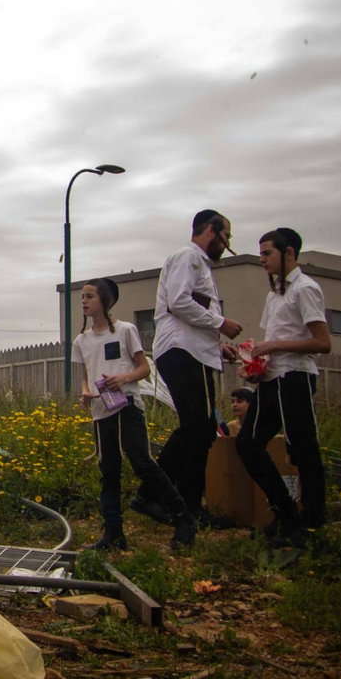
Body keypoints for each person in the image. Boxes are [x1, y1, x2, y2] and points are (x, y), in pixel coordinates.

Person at [138, 209, 243, 529]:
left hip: (193, 352)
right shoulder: (189, 257)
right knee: (197, 426)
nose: (226, 245)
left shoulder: (198, 264)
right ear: (211, 230)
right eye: (226, 237)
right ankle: (157, 495)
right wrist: (221, 323)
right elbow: (180, 302)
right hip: (183, 354)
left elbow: (190, 313)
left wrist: (216, 346)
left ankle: (184, 504)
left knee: (202, 429)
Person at [75, 279, 196, 551]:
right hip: (100, 411)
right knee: (108, 470)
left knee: (142, 461)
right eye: (82, 297)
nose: (84, 301)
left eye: (90, 296)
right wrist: (85, 392)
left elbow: (144, 369)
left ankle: (183, 517)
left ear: (106, 301)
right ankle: (114, 533)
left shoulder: (126, 331)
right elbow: (86, 377)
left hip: (127, 405)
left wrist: (123, 378)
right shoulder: (81, 341)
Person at [236, 227, 331, 545]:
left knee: (303, 451)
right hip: (271, 379)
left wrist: (273, 345)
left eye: (267, 253)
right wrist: (255, 365)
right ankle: (287, 514)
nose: (262, 259)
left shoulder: (305, 288)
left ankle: (313, 526)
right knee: (247, 444)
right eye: (261, 253)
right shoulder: (273, 294)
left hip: (296, 378)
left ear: (288, 253)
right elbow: (272, 342)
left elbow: (322, 342)